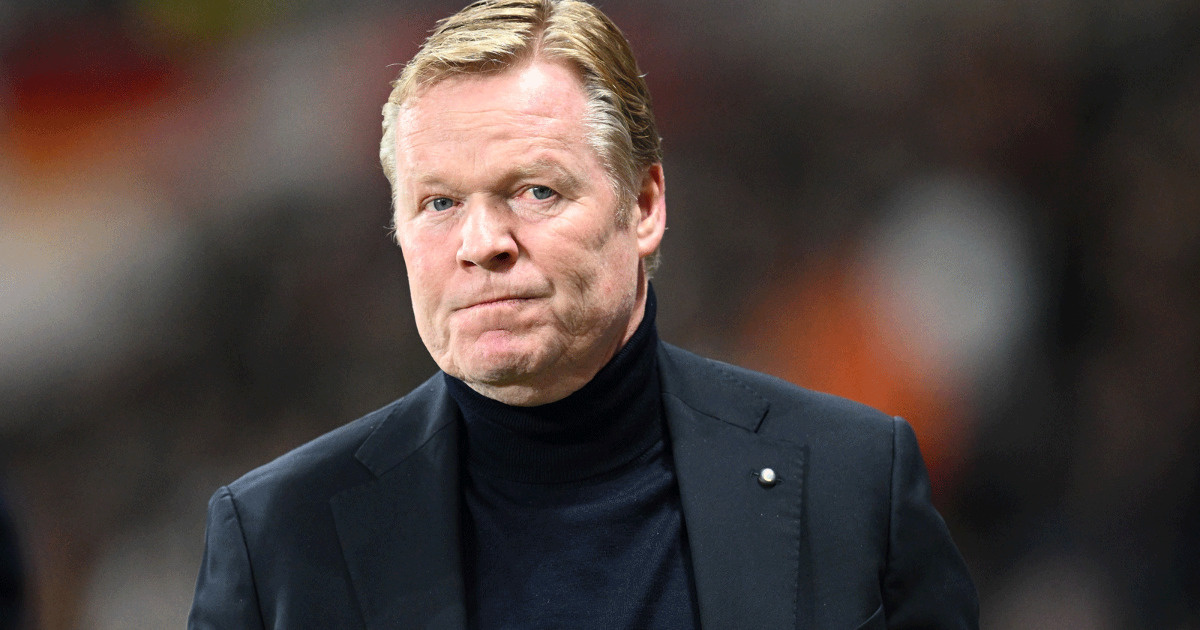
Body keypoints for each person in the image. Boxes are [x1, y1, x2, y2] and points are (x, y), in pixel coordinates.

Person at [189, 0, 979, 628]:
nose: (482, 243)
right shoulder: (276, 539)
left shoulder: (853, 482)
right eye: (439, 203)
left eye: (536, 190)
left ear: (644, 205)